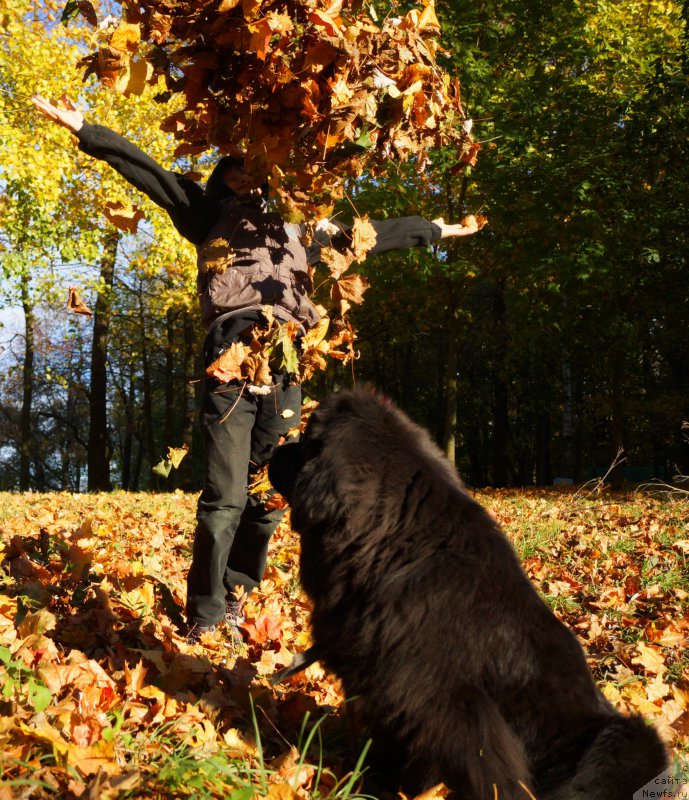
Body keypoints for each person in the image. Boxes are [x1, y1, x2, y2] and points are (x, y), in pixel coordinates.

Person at [31, 94, 480, 644]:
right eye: (236, 171)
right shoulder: (208, 215)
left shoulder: (299, 234)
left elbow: (374, 236)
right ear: (223, 181)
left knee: (267, 495)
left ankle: (238, 592)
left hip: (288, 360)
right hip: (230, 358)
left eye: (255, 171)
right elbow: (148, 172)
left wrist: (438, 227)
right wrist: (87, 130)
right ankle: (206, 613)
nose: (248, 178)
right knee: (225, 497)